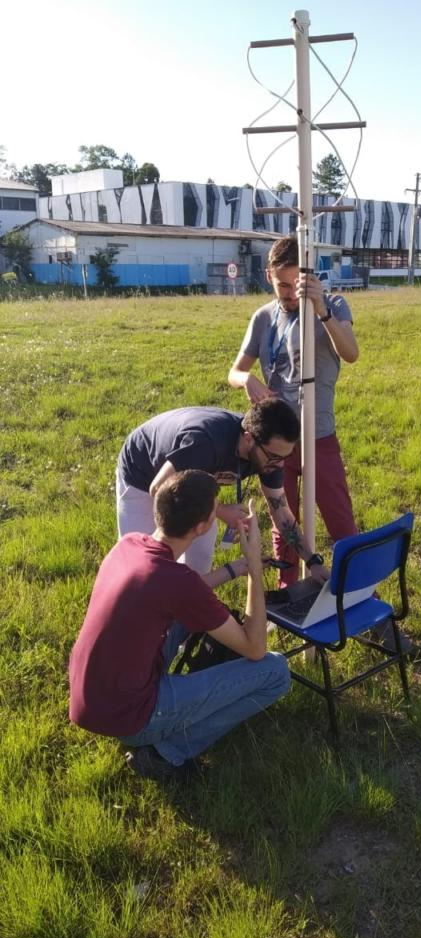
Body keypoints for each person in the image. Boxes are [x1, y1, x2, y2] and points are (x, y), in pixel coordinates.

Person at [69, 470, 290, 781]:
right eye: (216, 510)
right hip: (131, 717)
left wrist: (231, 569)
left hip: (92, 698)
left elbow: (183, 590)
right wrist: (254, 566)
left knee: (201, 616)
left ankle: (185, 698)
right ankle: (165, 753)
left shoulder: (131, 544)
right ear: (202, 527)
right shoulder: (177, 582)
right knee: (275, 672)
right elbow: (255, 648)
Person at [228, 234, 359, 587]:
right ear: (269, 274)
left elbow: (350, 353)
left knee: (341, 522)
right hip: (275, 443)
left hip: (319, 436)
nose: (287, 293)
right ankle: (289, 595)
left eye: (294, 285)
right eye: (280, 284)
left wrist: (322, 310)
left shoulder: (333, 305)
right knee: (283, 521)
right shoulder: (263, 318)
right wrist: (247, 381)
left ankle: (361, 597)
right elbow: (234, 370)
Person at [116, 398, 329, 582]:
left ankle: (184, 620)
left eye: (285, 457)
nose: (279, 466)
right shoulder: (205, 443)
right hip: (142, 473)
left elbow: (282, 513)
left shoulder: (270, 455)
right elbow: (159, 488)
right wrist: (220, 511)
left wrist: (312, 561)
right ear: (248, 439)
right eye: (274, 457)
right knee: (144, 564)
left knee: (198, 561)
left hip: (192, 483)